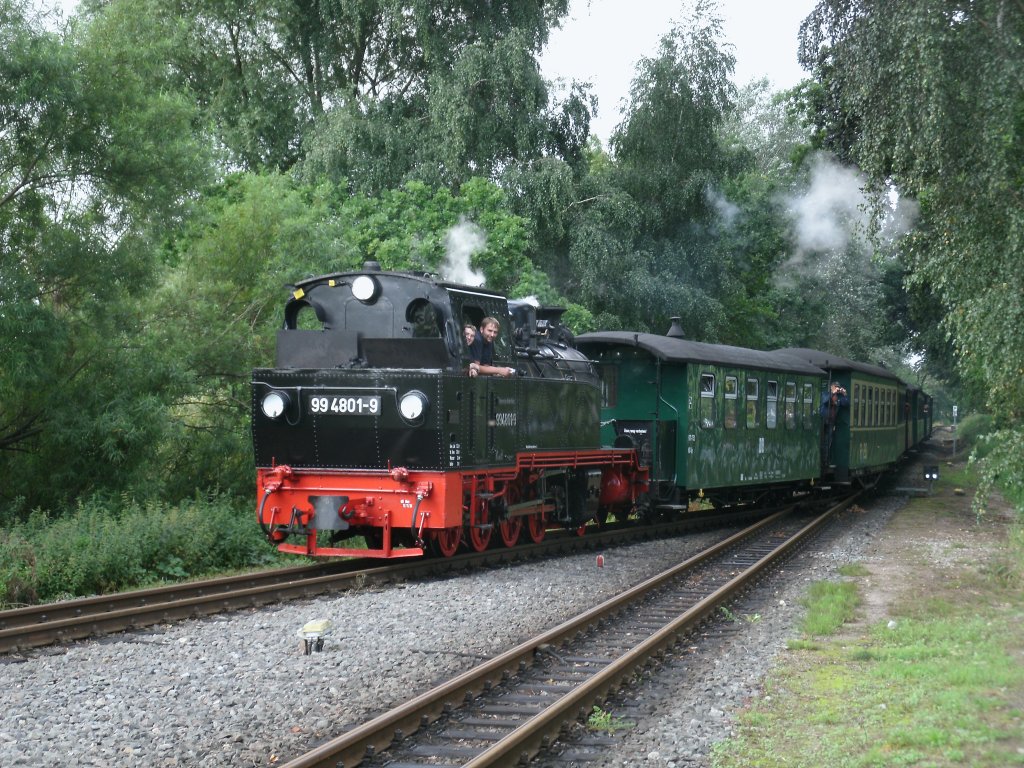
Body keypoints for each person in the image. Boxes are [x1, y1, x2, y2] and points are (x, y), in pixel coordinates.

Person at [820, 381, 849, 465]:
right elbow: (825, 401)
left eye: (838, 387)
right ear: (831, 387)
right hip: (822, 420)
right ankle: (822, 460)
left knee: (828, 442)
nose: (837, 388)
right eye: (835, 386)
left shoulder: (838, 397)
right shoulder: (825, 394)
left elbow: (846, 403)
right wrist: (832, 393)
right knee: (822, 441)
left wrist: (844, 394)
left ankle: (825, 460)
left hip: (831, 422)